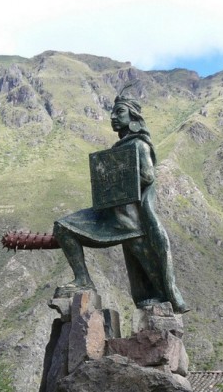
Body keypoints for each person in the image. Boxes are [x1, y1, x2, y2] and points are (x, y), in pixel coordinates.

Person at [52, 87, 188, 313]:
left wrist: (119, 174)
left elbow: (148, 175)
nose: (113, 117)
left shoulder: (139, 144)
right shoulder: (119, 148)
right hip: (108, 215)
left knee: (155, 279)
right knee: (63, 227)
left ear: (133, 115)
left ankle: (166, 307)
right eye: (112, 113)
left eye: (119, 112)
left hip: (129, 221)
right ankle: (83, 279)